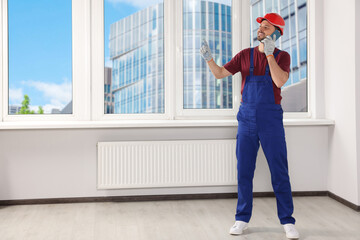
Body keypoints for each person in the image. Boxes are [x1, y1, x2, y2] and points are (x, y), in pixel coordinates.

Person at [200, 13, 299, 239]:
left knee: (279, 171)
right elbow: (219, 74)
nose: (260, 30)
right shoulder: (245, 55)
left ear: (276, 33)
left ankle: (288, 221)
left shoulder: (283, 57)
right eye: (260, 27)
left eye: (266, 27)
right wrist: (208, 59)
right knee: (244, 171)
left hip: (271, 120)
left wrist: (271, 55)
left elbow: (280, 81)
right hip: (246, 119)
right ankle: (241, 218)